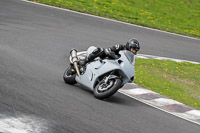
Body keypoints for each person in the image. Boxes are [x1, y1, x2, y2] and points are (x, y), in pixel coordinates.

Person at [69, 38, 140, 75]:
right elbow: (110, 49)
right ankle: (85, 61)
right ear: (129, 46)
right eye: (133, 49)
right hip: (108, 58)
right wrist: (113, 55)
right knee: (100, 50)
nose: (134, 51)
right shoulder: (121, 47)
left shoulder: (131, 57)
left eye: (135, 50)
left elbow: (129, 65)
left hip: (116, 65)